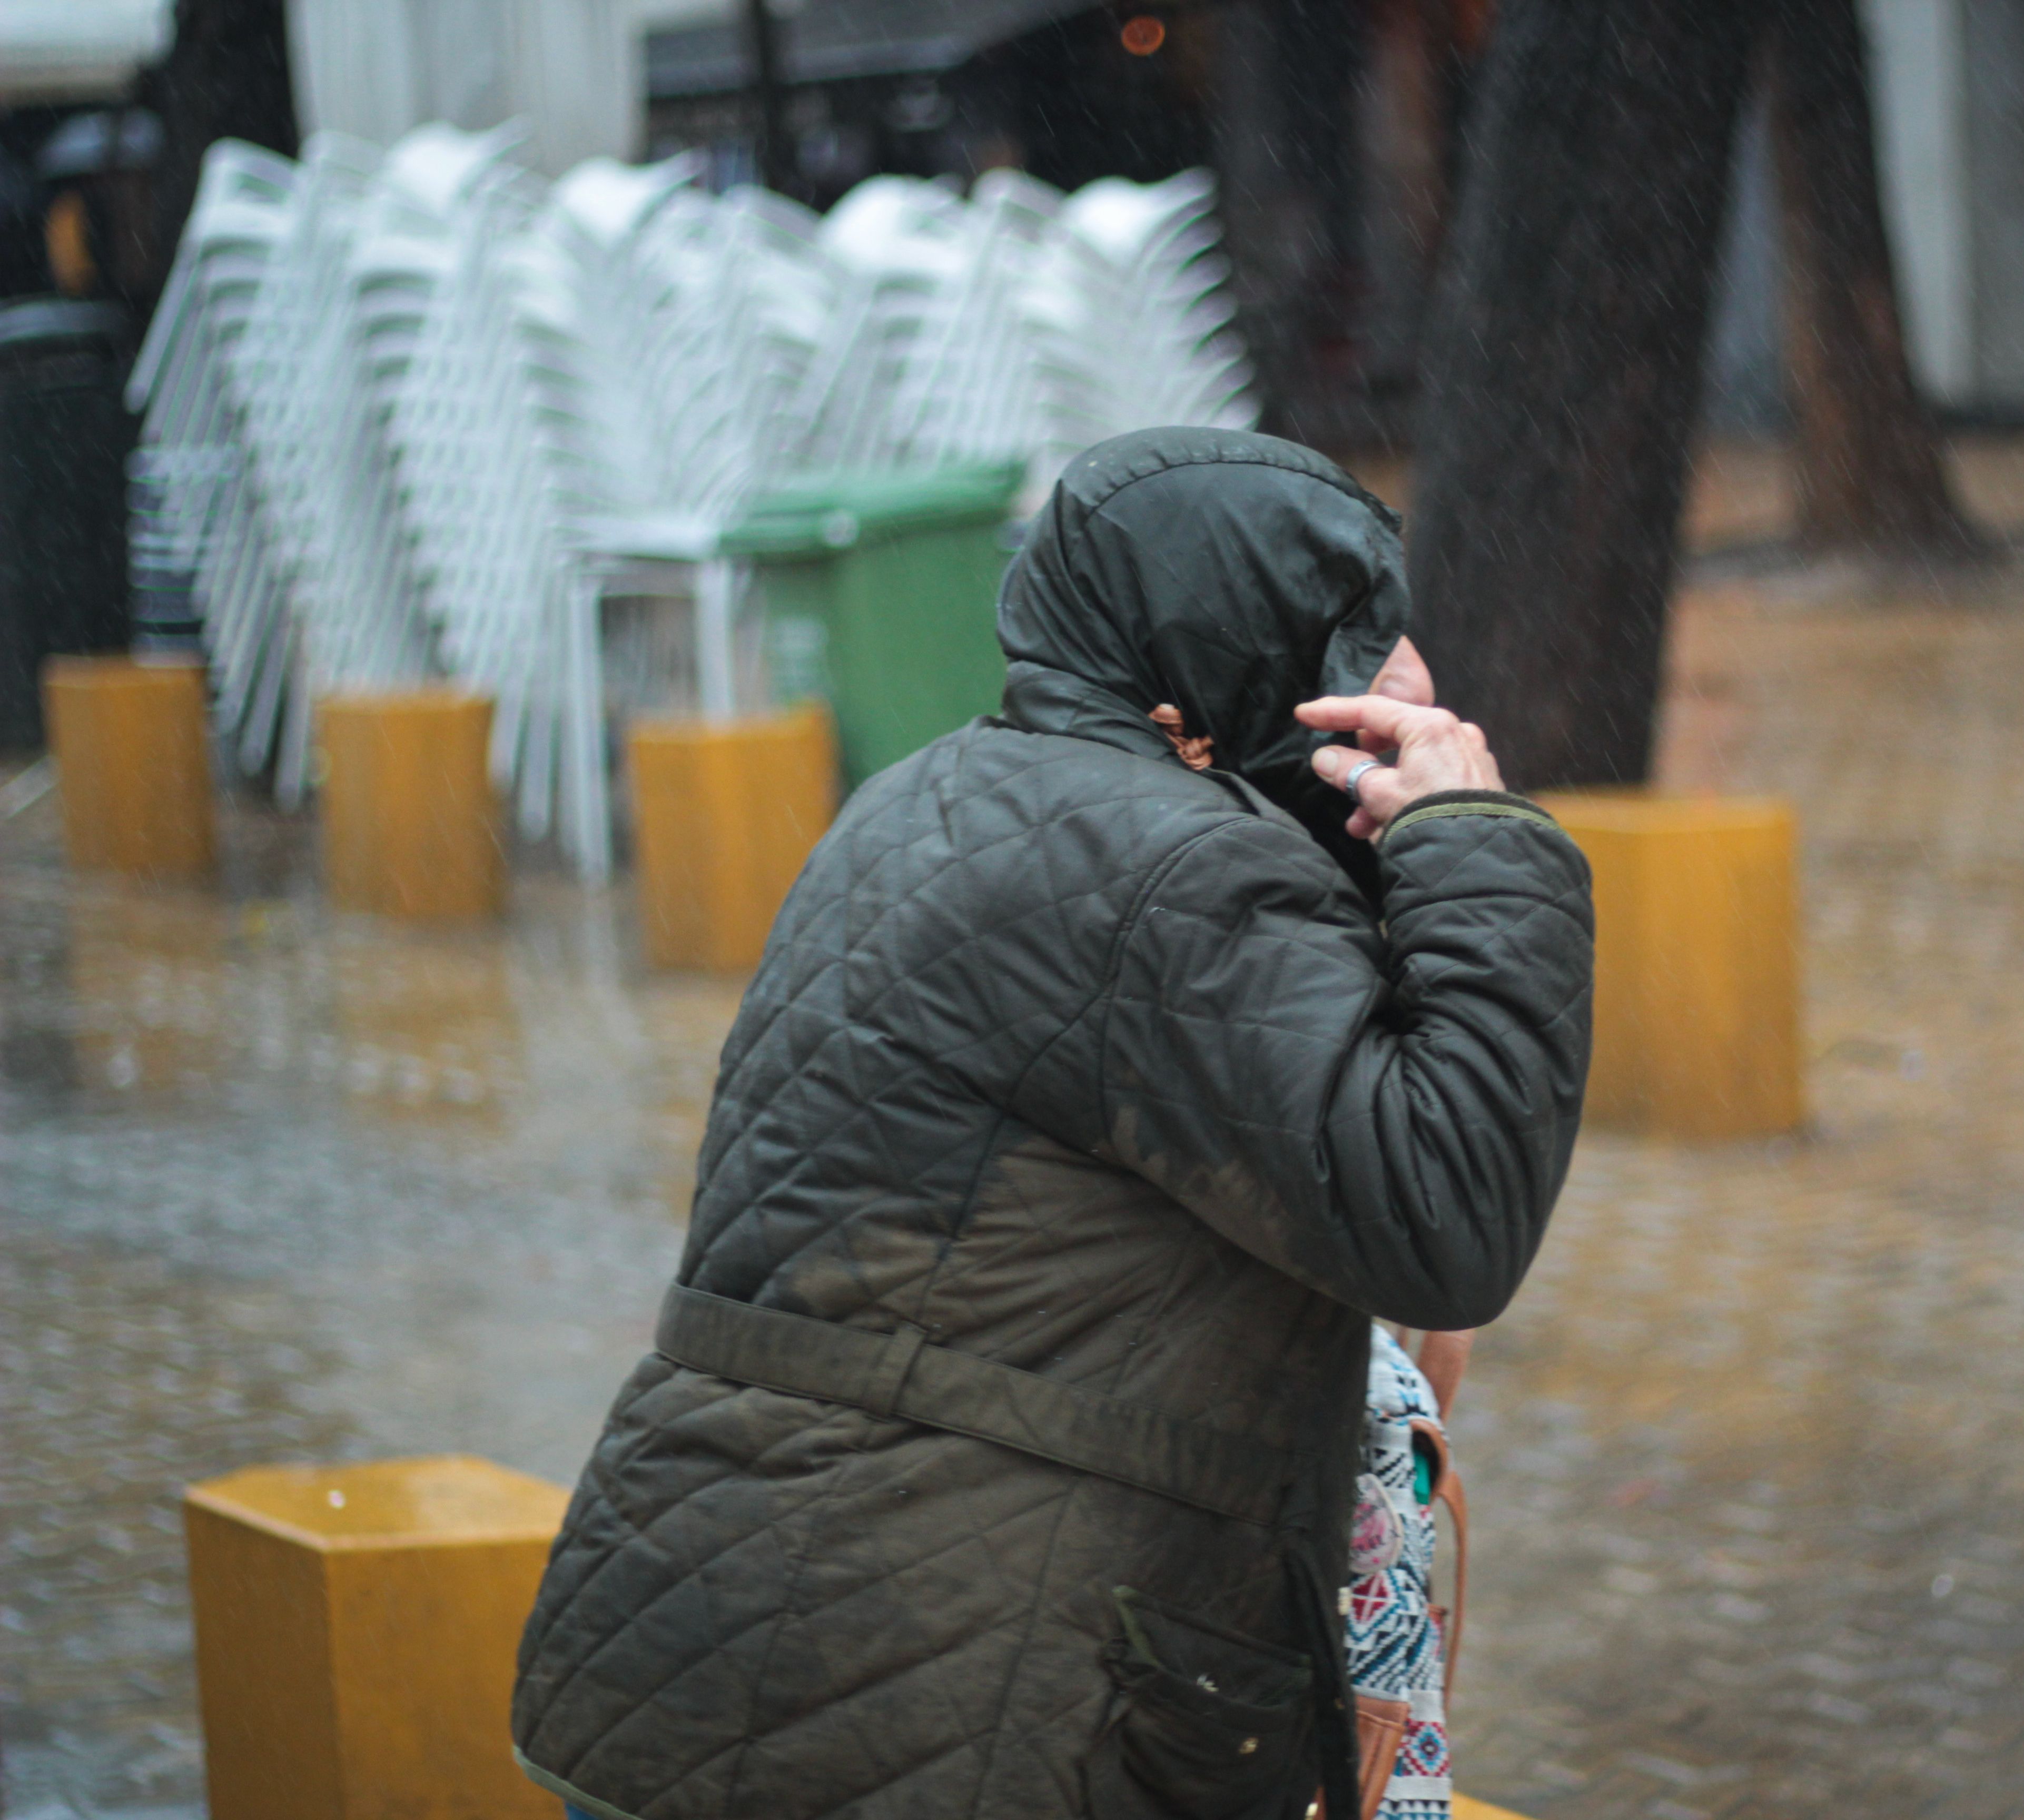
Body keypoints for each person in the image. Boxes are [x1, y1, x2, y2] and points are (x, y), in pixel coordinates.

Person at [512, 427, 1595, 1820]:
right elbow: (1449, 1215)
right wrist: (1473, 842)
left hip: (707, 1651)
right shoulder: (1173, 870)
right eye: (1351, 633)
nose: (1410, 681)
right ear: (1223, 654)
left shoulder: (926, 804)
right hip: (937, 1716)